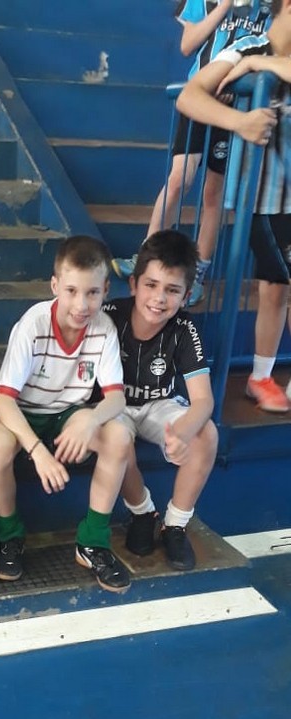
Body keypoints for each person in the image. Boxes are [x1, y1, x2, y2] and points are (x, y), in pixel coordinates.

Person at [0, 235, 131, 592]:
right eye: (71, 291)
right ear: (54, 287)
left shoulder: (104, 329)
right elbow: (4, 400)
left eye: (92, 293)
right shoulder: (33, 324)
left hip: (67, 412)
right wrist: (37, 451)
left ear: (105, 290)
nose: (81, 304)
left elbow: (116, 398)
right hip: (20, 413)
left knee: (119, 436)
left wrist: (91, 419)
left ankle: (92, 542)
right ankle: (9, 535)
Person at [112, 0, 272, 307]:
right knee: (179, 179)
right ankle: (147, 254)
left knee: (214, 193)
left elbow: (267, 50)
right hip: (198, 100)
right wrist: (224, 7)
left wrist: (235, 81)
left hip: (236, 106)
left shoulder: (267, 9)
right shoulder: (204, 2)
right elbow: (188, 45)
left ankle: (196, 274)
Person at [177, 0, 291, 413]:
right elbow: (189, 97)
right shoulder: (245, 46)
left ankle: (261, 376)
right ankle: (259, 377)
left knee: (276, 288)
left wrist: (263, 67)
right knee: (279, 284)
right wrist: (240, 122)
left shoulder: (256, 58)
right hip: (264, 200)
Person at [104, 230, 218, 570]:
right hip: (114, 404)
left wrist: (182, 433)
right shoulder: (110, 315)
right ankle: (143, 513)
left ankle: (175, 525)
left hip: (158, 405)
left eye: (172, 290)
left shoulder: (184, 327)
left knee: (207, 434)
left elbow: (203, 400)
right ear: (134, 284)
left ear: (186, 296)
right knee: (116, 438)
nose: (159, 298)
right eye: (151, 285)